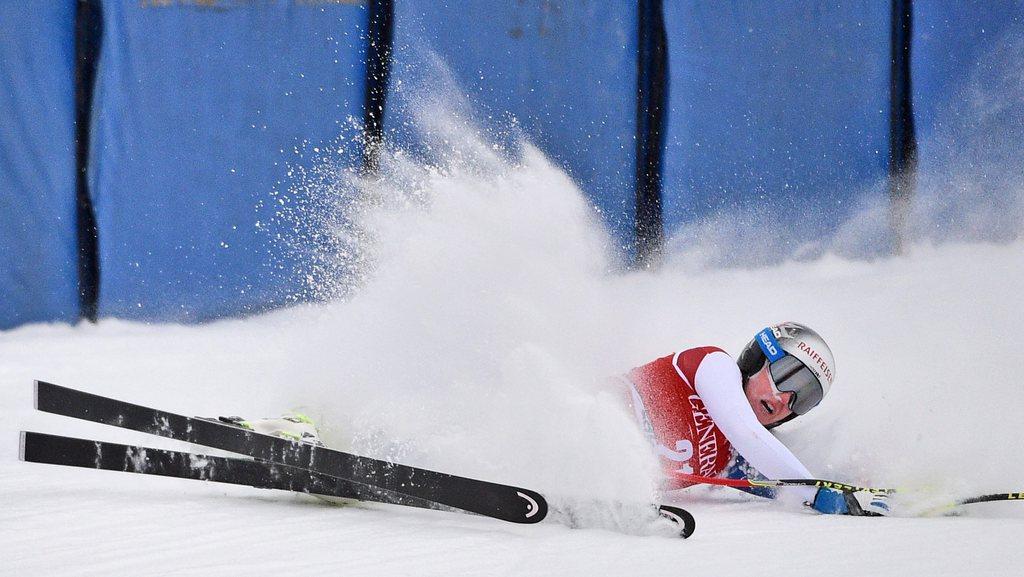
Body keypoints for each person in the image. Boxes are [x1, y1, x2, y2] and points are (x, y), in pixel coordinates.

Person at [622, 321, 890, 516]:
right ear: (758, 358)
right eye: (787, 376)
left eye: (803, 397)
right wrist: (815, 492)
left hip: (614, 479)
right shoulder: (713, 364)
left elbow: (795, 474)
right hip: (588, 421)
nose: (785, 398)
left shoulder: (736, 459)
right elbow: (745, 432)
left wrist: (865, 488)